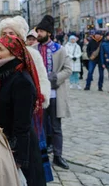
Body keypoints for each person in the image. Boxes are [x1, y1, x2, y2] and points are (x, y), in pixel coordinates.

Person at [0, 35, 46, 186]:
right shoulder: (5, 74)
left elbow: (22, 123)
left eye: (1, 49)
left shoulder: (21, 81)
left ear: (14, 53)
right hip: (4, 139)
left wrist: (19, 157)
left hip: (19, 145)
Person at [35, 15, 72, 170]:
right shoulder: (34, 50)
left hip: (55, 93)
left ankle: (58, 156)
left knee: (56, 127)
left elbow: (68, 69)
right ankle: (41, 157)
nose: (38, 34)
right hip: (39, 95)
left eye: (41, 31)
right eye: (38, 31)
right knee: (40, 127)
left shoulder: (59, 50)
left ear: (48, 33)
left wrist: (55, 77)